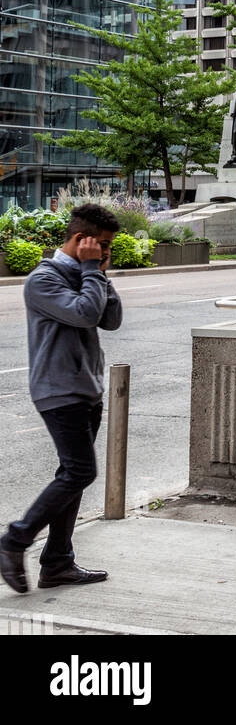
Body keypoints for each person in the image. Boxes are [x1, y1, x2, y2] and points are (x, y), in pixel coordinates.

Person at [0, 204, 123, 595]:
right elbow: (86, 314)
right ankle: (15, 540)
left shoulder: (87, 274)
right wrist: (92, 273)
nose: (104, 252)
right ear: (78, 239)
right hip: (58, 390)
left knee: (71, 478)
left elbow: (111, 319)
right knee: (79, 472)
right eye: (101, 245)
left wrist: (101, 274)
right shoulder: (43, 279)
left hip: (87, 388)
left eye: (108, 247)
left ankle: (57, 564)